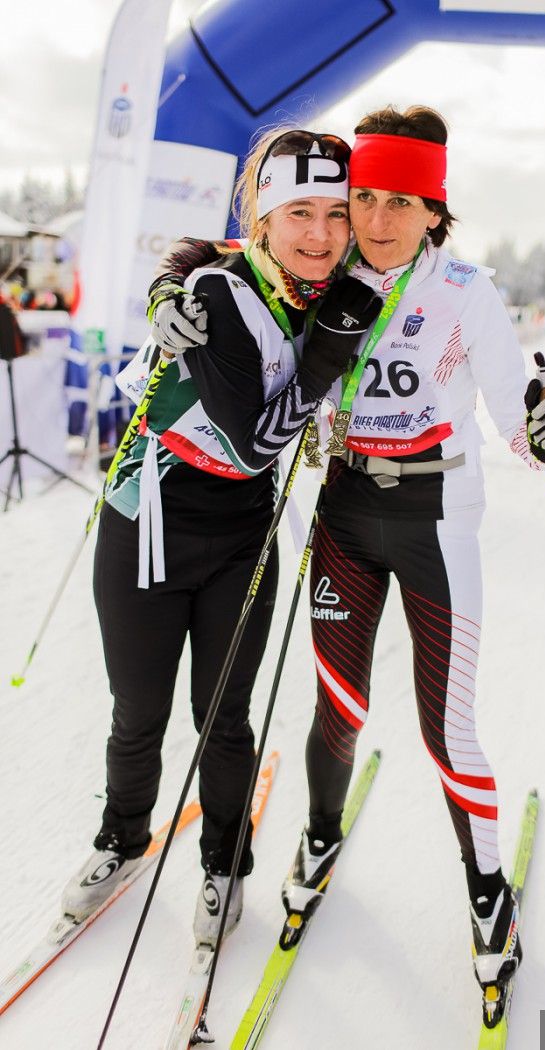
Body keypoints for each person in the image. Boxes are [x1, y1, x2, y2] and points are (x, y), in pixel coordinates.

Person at [144, 106, 545, 1011]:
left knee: (446, 728)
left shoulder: (466, 290)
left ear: (436, 211)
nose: (376, 221)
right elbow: (222, 257)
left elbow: (516, 415)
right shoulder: (325, 268)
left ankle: (486, 891)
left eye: (402, 203)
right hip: (343, 511)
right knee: (337, 708)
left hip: (436, 518)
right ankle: (319, 833)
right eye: (366, 198)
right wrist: (165, 289)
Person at [60, 127, 381, 949]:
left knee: (224, 717)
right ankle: (122, 839)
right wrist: (327, 355)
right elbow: (252, 442)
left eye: (336, 214)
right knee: (138, 710)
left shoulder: (331, 282)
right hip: (148, 522)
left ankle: (224, 863)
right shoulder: (219, 291)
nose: (321, 233)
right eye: (299, 212)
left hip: (243, 535)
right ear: (263, 219)